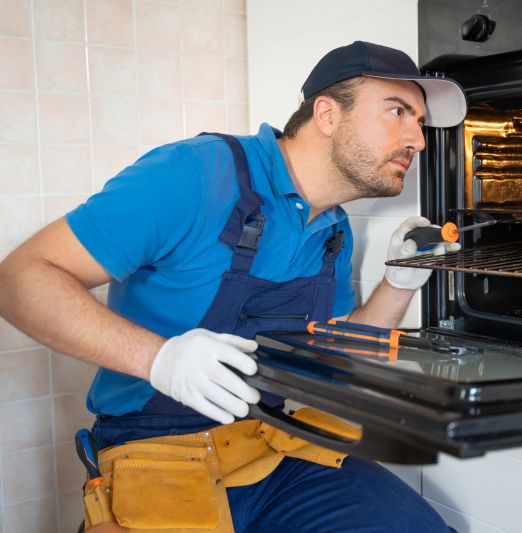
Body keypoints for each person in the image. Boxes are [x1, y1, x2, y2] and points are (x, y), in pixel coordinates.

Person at [0, 40, 466, 532]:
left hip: (271, 441)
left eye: (419, 121)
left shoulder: (333, 229)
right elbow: (20, 280)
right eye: (398, 111)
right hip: (153, 449)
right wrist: (160, 359)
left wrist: (399, 282)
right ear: (327, 115)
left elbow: (336, 361)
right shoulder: (196, 173)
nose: (418, 140)